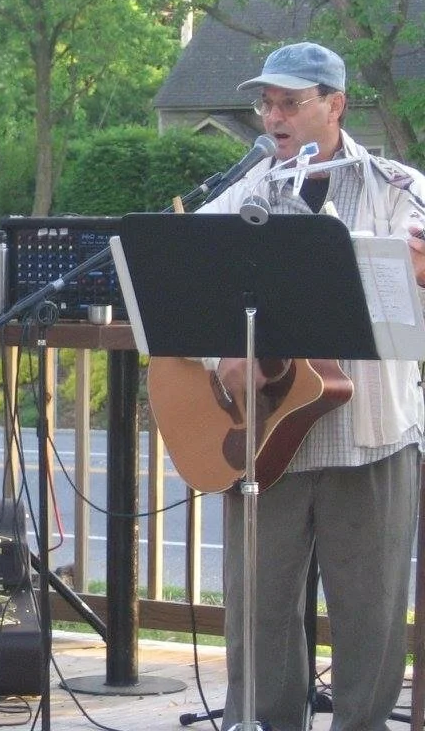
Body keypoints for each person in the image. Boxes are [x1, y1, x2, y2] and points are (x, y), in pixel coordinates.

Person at [198, 42, 425, 730]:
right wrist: (222, 361)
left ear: (335, 105)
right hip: (268, 444)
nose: (273, 116)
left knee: (371, 620)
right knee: (258, 619)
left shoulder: (399, 189)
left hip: (372, 438)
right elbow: (185, 291)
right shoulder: (242, 197)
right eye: (266, 103)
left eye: (290, 102)